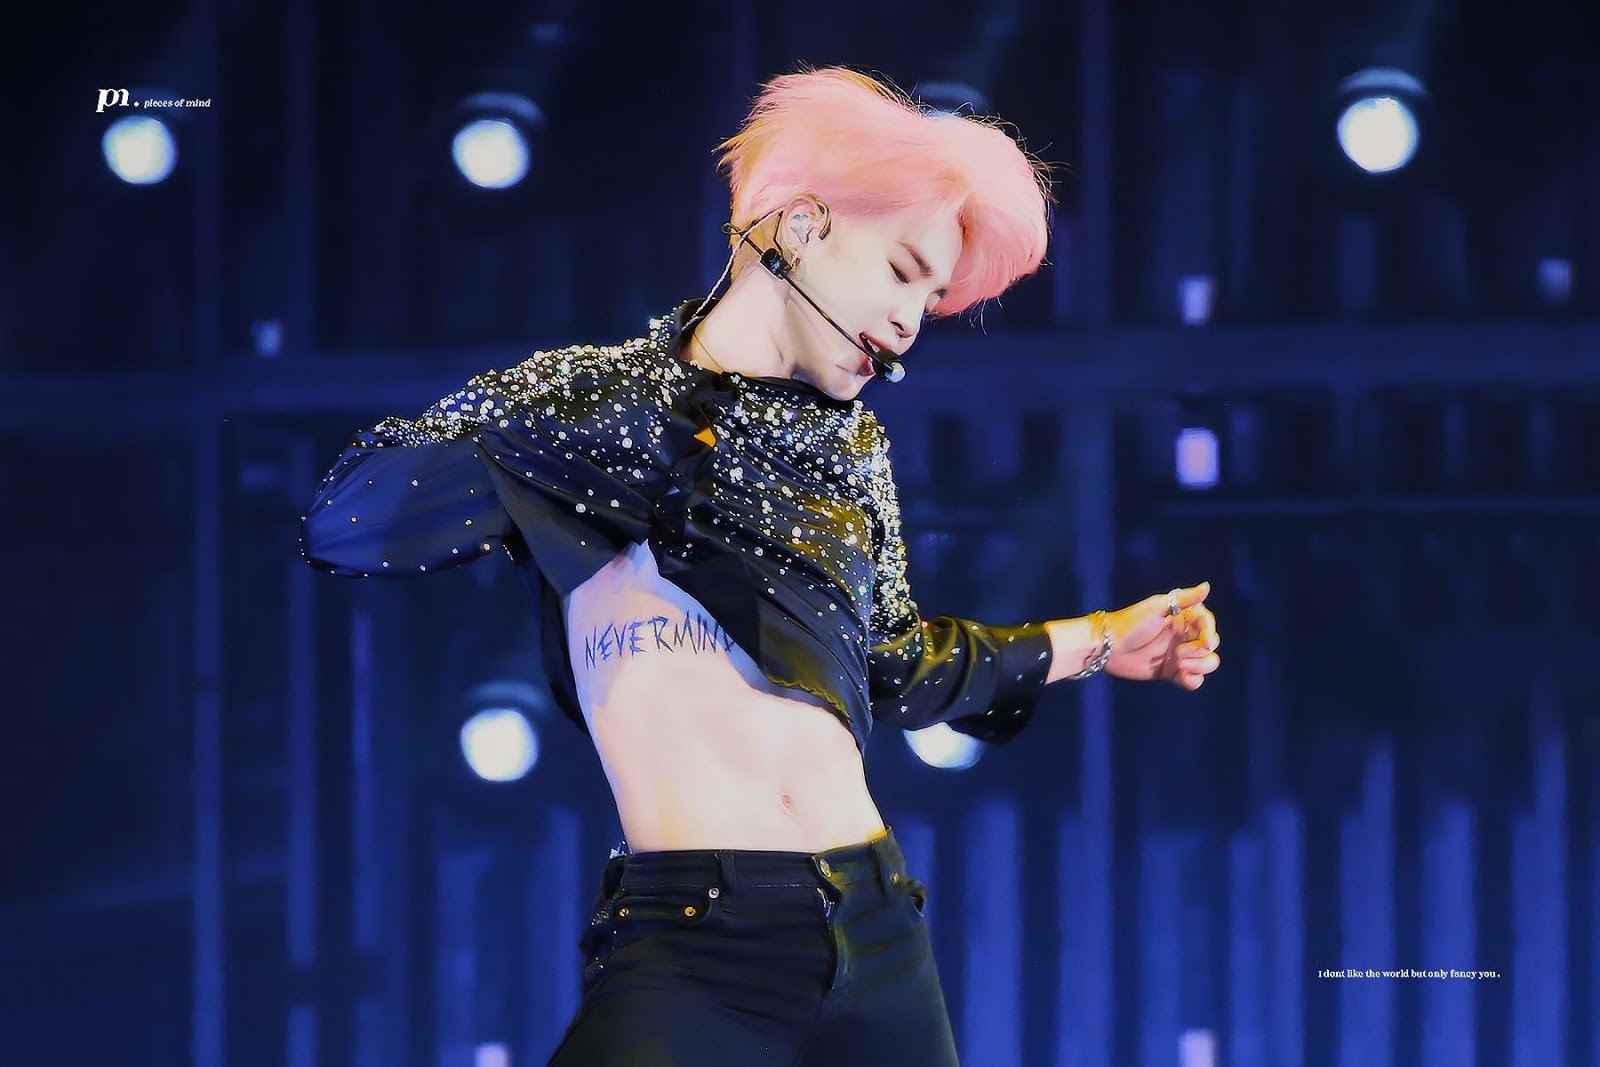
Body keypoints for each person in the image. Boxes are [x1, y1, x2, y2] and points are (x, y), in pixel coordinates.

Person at [300, 64, 1221, 1066]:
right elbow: (349, 520)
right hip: (695, 944)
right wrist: (633, 432)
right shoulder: (590, 398)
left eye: (932, 297)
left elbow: (896, 664)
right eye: (902, 269)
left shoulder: (848, 448)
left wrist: (1102, 639)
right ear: (800, 227)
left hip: (877, 925)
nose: (912, 321)